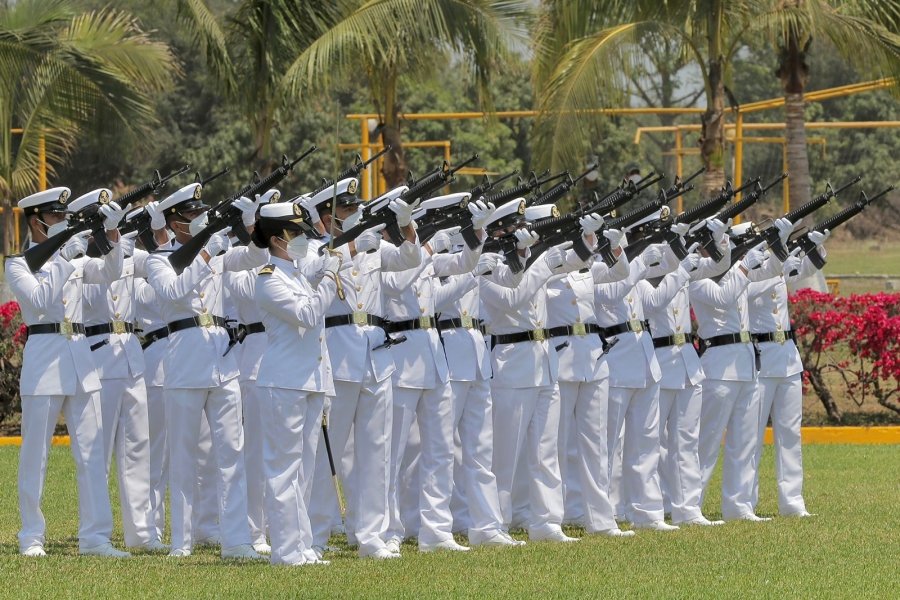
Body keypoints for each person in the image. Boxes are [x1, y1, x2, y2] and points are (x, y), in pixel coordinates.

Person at [145, 182, 267, 558]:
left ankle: (236, 540)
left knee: (231, 452)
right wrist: (205, 254)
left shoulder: (219, 252)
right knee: (183, 456)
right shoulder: (158, 260)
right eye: (192, 215)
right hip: (184, 359)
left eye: (202, 213)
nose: (200, 219)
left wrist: (252, 227)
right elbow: (174, 292)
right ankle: (181, 541)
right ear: (175, 223)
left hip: (222, 360)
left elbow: (256, 258)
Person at [301, 178, 421, 560]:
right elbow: (309, 274)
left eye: (356, 208)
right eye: (347, 209)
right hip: (338, 356)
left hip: (376, 354)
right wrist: (350, 247)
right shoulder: (315, 247)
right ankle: (316, 534)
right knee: (329, 451)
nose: (355, 214)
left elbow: (410, 259)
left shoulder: (374, 245)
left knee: (377, 451)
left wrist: (406, 225)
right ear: (328, 216)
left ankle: (371, 535)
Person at [8, 186, 129, 557]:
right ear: (37, 221)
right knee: (36, 456)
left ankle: (96, 537)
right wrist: (64, 255)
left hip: (80, 358)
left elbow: (112, 273)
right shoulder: (18, 264)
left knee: (92, 453)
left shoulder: (74, 258)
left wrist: (112, 234)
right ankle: (31, 536)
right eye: (56, 216)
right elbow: (41, 300)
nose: (62, 221)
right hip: (45, 359)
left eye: (64, 216)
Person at [381, 194, 491, 553]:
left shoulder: (425, 256)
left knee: (440, 450)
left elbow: (464, 262)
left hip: (433, 354)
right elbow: (396, 285)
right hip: (402, 356)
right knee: (394, 452)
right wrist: (426, 248)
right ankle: (388, 529)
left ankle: (436, 529)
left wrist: (476, 233)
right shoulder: (384, 254)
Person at [76, 190, 167, 552]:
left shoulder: (128, 253)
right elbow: (93, 289)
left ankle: (142, 534)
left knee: (137, 451)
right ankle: (95, 536)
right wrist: (109, 245)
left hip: (131, 357)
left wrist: (160, 233)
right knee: (96, 454)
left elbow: (166, 264)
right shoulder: (77, 261)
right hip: (98, 359)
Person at [253, 201, 341, 565]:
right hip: (284, 382)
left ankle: (302, 545)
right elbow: (307, 314)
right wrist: (330, 279)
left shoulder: (298, 275)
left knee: (304, 470)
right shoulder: (268, 279)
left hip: (308, 381)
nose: (303, 240)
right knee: (283, 470)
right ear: (277, 239)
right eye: (296, 234)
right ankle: (286, 550)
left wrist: (326, 269)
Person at [691, 219, 793, 521]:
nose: (724, 247)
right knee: (707, 442)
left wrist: (778, 243)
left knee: (745, 441)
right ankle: (688, 505)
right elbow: (723, 298)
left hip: (746, 362)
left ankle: (739, 505)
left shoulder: (738, 272)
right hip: (719, 364)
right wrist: (744, 266)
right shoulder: (696, 276)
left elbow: (773, 271)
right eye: (719, 242)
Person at [747, 231, 829, 518]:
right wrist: (777, 266)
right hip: (761, 357)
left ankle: (793, 501)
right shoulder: (746, 272)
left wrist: (816, 247)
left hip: (787, 358)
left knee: (790, 433)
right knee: (752, 434)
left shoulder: (778, 267)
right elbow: (750, 291)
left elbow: (805, 269)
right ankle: (745, 502)